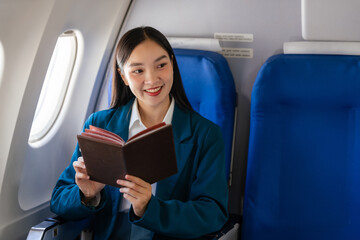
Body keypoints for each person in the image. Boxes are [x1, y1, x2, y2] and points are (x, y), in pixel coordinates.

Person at [50, 26, 228, 240]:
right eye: (138, 70)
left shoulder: (205, 135)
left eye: (161, 65)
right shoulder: (100, 125)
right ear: (123, 76)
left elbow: (212, 213)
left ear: (172, 64)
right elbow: (59, 199)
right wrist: (88, 194)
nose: (152, 80)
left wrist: (148, 207)